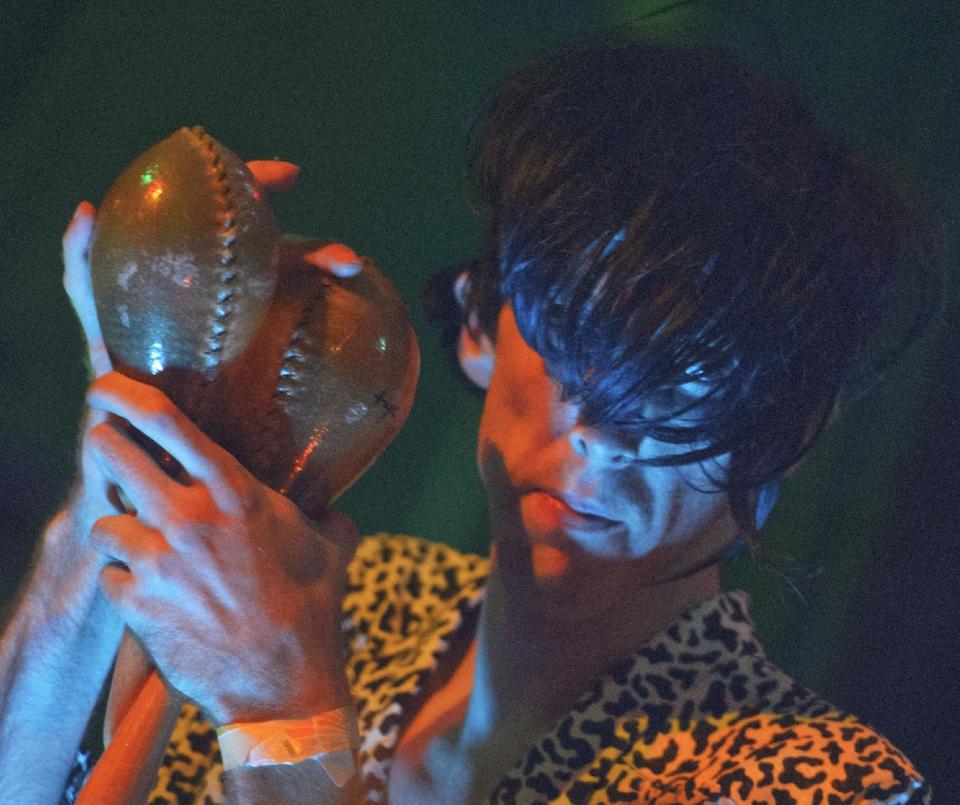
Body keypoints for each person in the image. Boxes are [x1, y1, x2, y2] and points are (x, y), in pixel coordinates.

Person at [0, 38, 935, 804]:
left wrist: (285, 717)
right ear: (484, 320)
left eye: (689, 382)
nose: (607, 434)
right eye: (577, 336)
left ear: (791, 432)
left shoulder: (821, 784)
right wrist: (139, 419)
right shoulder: (360, 598)